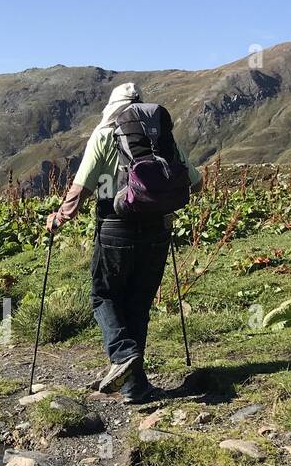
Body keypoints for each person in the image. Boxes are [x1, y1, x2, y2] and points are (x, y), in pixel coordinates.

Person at [46, 81, 201, 402]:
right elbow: (195, 182)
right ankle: (134, 386)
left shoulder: (105, 134)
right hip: (158, 231)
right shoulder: (162, 139)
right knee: (138, 304)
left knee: (104, 296)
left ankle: (121, 355)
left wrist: (59, 217)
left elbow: (82, 187)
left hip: (116, 229)